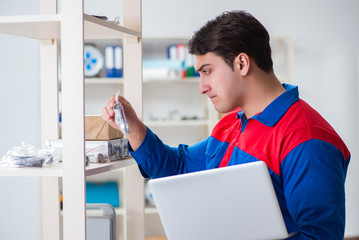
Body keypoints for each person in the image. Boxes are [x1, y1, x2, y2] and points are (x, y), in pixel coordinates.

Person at [102, 10, 350, 239]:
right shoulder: (231, 125)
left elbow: (319, 236)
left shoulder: (307, 139)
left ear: (242, 63)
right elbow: (178, 167)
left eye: (207, 71)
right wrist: (132, 125)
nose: (202, 87)